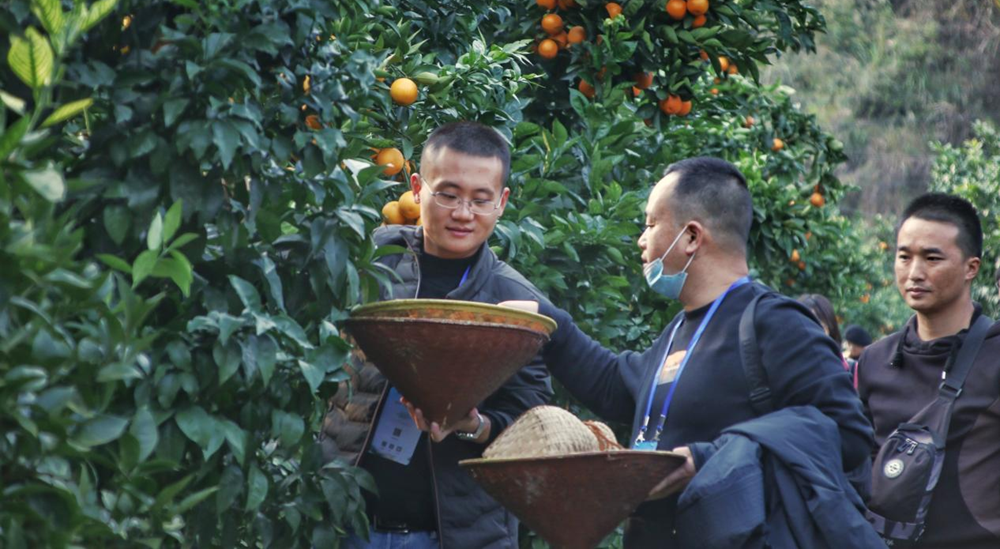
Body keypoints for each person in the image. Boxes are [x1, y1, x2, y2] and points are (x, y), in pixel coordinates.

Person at [524, 157, 873, 547]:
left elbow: (849, 435)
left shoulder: (774, 323)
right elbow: (616, 387)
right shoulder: (679, 329)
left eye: (651, 224)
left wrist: (709, 459)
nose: (642, 239)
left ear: (691, 237)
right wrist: (545, 323)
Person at [320, 122, 552, 549]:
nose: (463, 213)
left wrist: (474, 426)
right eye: (448, 194)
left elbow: (530, 416)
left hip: (457, 534)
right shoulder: (373, 260)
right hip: (346, 525)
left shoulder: (512, 298)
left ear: (501, 203)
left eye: (480, 200)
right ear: (417, 188)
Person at [856, 193, 1000, 548]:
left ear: (971, 267)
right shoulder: (875, 361)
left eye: (932, 258)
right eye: (904, 257)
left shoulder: (995, 355)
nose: (914, 272)